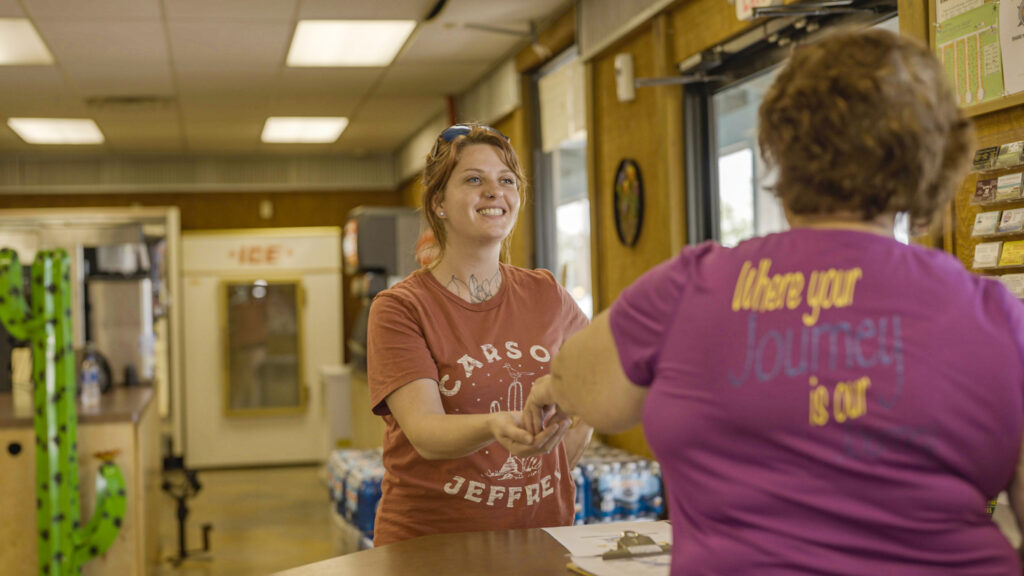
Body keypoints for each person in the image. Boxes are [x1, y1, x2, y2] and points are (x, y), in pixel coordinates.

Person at [524, 28, 1024, 574]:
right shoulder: (999, 318)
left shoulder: (687, 289)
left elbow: (588, 390)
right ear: (933, 161)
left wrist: (551, 387)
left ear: (781, 147)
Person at [367, 123, 592, 546]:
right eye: (474, 180)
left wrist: (563, 441)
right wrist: (496, 424)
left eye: (506, 180)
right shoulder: (400, 307)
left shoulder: (546, 293)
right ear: (439, 203)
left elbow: (601, 374)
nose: (494, 191)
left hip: (541, 541)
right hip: (432, 549)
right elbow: (425, 431)